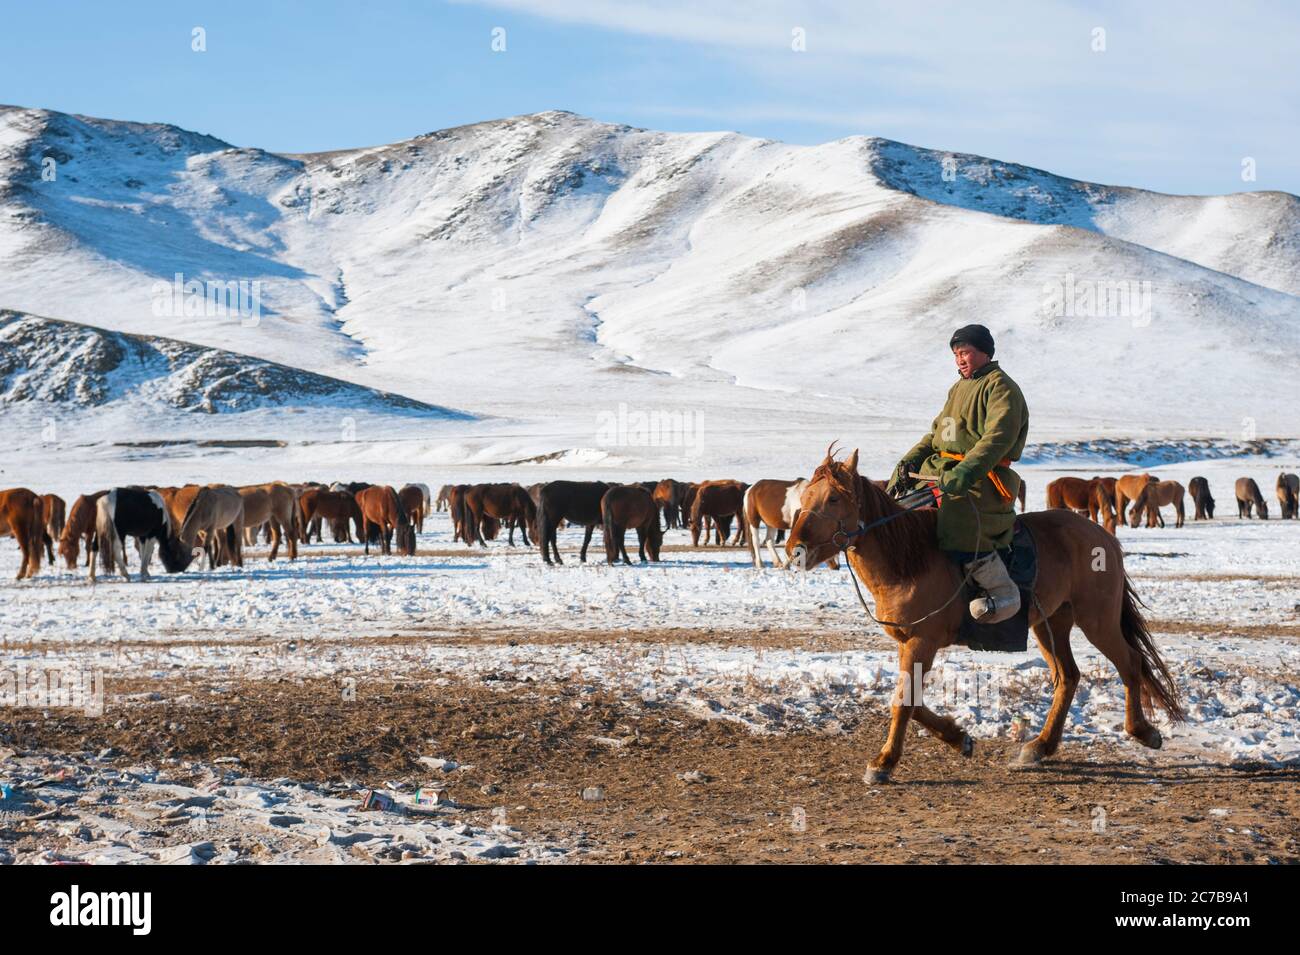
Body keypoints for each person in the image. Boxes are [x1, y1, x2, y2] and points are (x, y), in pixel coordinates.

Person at [886, 325, 1028, 623]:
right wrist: (909, 461)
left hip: (983, 480)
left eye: (965, 353)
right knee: (898, 515)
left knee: (957, 518)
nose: (960, 360)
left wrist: (964, 472)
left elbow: (996, 440)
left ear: (985, 352)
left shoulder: (1001, 387)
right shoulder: (958, 388)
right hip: (940, 474)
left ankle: (1000, 591)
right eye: (956, 354)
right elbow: (936, 434)